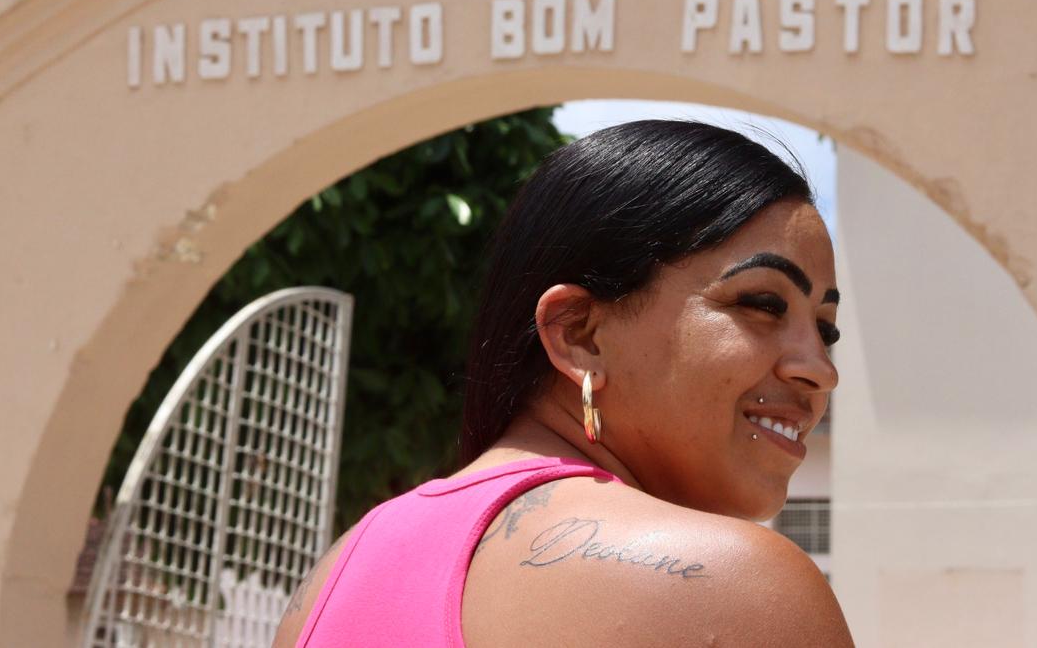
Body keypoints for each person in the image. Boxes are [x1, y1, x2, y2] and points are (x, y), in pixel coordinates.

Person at [275, 120, 852, 647]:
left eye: (826, 330)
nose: (820, 370)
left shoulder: (335, 575)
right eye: (761, 303)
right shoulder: (738, 589)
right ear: (579, 333)